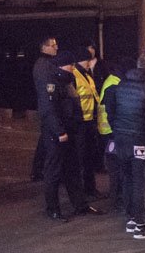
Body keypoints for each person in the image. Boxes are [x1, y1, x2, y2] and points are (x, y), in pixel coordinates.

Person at [105, 53, 145, 239]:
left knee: (128, 180)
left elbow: (112, 113)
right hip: (141, 143)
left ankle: (132, 219)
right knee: (142, 183)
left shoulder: (120, 86)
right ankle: (140, 225)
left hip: (121, 141)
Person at [37, 50, 101, 221]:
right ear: (61, 66)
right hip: (57, 136)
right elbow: (48, 110)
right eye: (70, 65)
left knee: (73, 171)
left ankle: (80, 205)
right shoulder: (51, 82)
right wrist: (60, 132)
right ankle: (53, 210)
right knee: (54, 172)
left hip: (71, 132)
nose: (73, 68)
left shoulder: (67, 81)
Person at [97, 58, 126, 213]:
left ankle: (117, 199)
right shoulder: (113, 84)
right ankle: (116, 201)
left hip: (109, 132)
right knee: (116, 169)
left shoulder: (112, 80)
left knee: (116, 168)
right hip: (110, 133)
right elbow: (111, 112)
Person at [72, 50, 102, 198]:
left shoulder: (87, 75)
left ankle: (90, 189)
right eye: (89, 60)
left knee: (89, 158)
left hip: (89, 122)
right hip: (80, 124)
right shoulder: (74, 75)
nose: (91, 63)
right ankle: (81, 192)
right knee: (80, 160)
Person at [30, 35, 58, 181]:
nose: (56, 48)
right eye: (53, 45)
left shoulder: (47, 63)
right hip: (48, 110)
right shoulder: (43, 65)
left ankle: (38, 170)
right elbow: (46, 90)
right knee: (48, 143)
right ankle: (40, 171)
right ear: (44, 47)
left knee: (45, 141)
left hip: (47, 109)